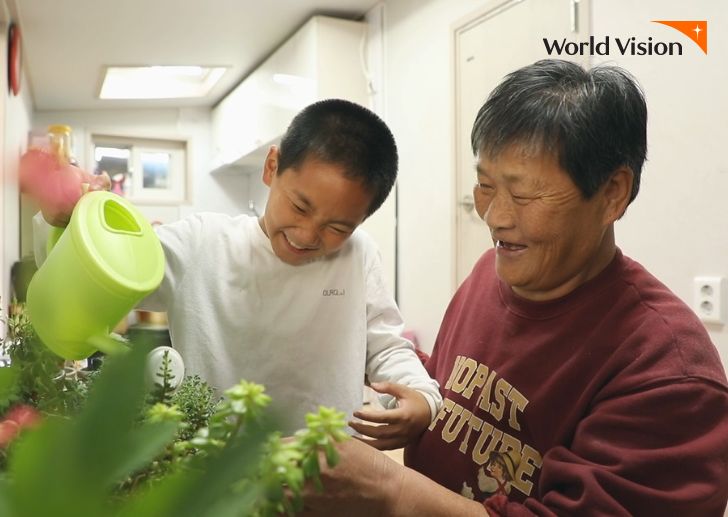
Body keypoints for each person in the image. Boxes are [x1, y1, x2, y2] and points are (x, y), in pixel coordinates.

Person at [299, 60, 728, 515]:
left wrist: (389, 486)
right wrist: (399, 380)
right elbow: (464, 392)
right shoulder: (491, 272)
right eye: (485, 185)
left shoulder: (668, 373)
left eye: (524, 195)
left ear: (612, 193)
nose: (495, 216)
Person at [30, 99, 442, 438]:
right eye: (300, 206)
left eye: (338, 227)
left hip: (329, 473)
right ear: (271, 168)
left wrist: (423, 397)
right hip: (213, 469)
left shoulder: (358, 255)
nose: (307, 233)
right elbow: (94, 277)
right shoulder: (201, 243)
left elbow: (387, 346)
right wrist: (63, 217)